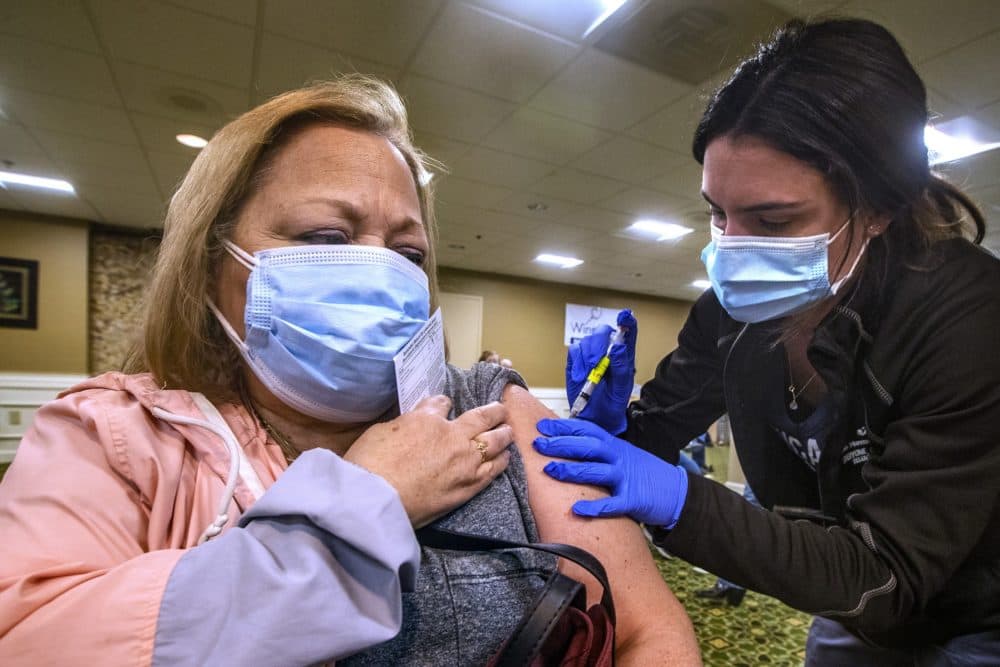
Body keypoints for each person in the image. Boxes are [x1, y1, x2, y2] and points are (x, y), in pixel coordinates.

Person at [0, 76, 700, 665]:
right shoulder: (118, 437)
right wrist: (365, 500)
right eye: (325, 238)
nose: (376, 269)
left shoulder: (490, 409)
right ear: (216, 263)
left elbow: (649, 629)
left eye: (406, 251)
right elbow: (28, 638)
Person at [533, 18, 1000, 665]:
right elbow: (648, 441)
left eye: (771, 220)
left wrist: (683, 500)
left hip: (971, 614)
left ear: (877, 207)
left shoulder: (966, 316)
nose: (731, 248)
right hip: (851, 610)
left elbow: (884, 573)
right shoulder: (729, 314)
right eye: (717, 213)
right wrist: (613, 422)